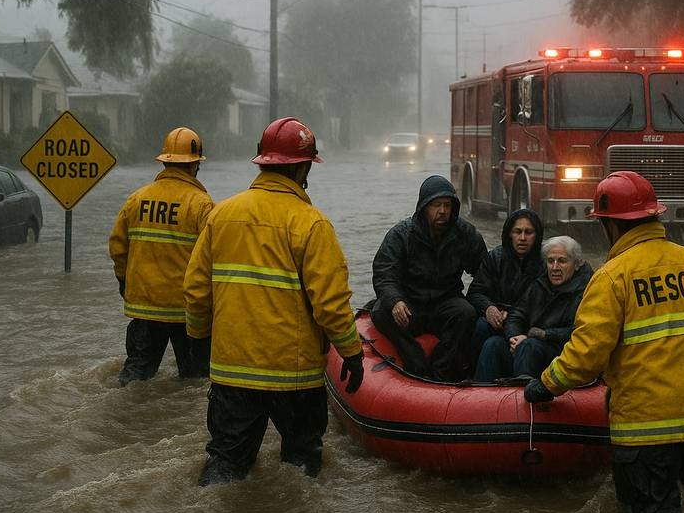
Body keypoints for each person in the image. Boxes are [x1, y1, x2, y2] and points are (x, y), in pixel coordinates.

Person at [524, 171, 684, 513]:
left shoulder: (612, 277)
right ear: (654, 216)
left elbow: (586, 354)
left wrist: (547, 383)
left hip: (647, 427)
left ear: (610, 226)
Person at [184, 117, 364, 486]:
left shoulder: (221, 215)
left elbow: (197, 289)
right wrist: (352, 353)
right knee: (300, 469)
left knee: (225, 463)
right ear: (302, 167)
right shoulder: (312, 225)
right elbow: (330, 305)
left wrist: (201, 338)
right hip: (293, 378)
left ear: (262, 161)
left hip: (232, 372)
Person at [109, 126, 214, 386]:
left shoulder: (136, 200)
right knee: (194, 382)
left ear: (165, 161)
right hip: (186, 312)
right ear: (195, 165)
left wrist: (125, 283)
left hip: (144, 307)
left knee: (134, 379)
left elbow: (118, 247)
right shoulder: (202, 205)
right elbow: (212, 259)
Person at [370, 174, 487, 381]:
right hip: (410, 304)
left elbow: (484, 271)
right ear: (424, 207)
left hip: (445, 303)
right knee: (381, 310)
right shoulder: (401, 235)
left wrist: (486, 303)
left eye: (447, 205)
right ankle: (415, 363)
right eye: (436, 205)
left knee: (466, 312)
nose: (442, 211)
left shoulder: (465, 234)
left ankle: (441, 369)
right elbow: (384, 273)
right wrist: (396, 300)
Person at [473, 235, 592, 381]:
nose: (555, 267)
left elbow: (582, 332)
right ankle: (481, 393)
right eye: (550, 261)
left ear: (576, 263)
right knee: (494, 344)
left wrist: (542, 334)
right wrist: (513, 337)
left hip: (562, 354)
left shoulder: (587, 291)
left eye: (562, 261)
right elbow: (517, 314)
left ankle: (523, 396)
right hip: (530, 345)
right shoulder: (539, 285)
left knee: (529, 346)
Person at [466, 209, 545, 359]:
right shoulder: (495, 257)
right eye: (517, 231)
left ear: (537, 236)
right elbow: (475, 292)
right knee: (481, 326)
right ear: (509, 234)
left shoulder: (547, 263)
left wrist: (510, 313)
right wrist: (489, 308)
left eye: (528, 232)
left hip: (528, 322)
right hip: (498, 321)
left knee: (493, 343)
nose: (522, 238)